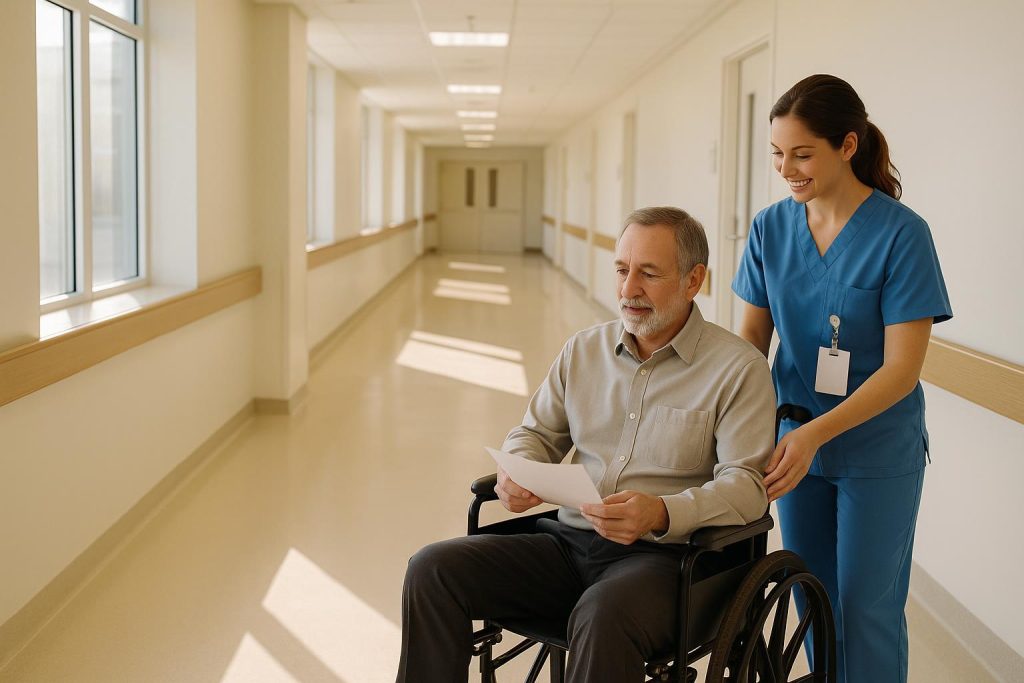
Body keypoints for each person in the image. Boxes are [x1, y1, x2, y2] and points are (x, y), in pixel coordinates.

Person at [397, 207, 776, 682]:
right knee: (432, 569)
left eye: (649, 274)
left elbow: (746, 487)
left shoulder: (738, 369)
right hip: (568, 545)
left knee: (603, 613)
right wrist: (518, 470)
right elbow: (533, 433)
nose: (628, 289)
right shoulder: (583, 351)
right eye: (622, 270)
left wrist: (661, 511)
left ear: (693, 279)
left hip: (669, 562)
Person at [732, 74, 952, 683]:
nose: (786, 168)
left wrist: (815, 435)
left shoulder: (902, 234)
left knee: (866, 608)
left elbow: (902, 370)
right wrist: (749, 427)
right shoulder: (769, 229)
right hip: (791, 443)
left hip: (874, 449)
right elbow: (752, 343)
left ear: (847, 146)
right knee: (812, 598)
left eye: (802, 154)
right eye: (777, 153)